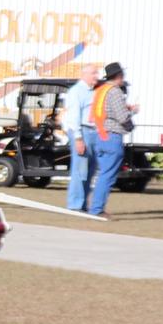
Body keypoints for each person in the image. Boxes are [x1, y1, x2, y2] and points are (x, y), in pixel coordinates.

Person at [86, 61, 134, 217]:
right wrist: (131, 117)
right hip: (112, 137)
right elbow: (122, 117)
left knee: (102, 174)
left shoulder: (101, 90)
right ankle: (97, 209)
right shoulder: (115, 91)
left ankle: (95, 207)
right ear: (118, 76)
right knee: (107, 176)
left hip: (99, 135)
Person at [60, 58, 101, 212]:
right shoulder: (77, 91)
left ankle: (83, 203)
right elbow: (74, 116)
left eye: (96, 73)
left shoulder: (93, 92)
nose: (96, 76)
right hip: (82, 131)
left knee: (90, 170)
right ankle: (75, 204)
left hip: (92, 132)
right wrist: (78, 138)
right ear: (84, 74)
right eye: (93, 73)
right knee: (80, 169)